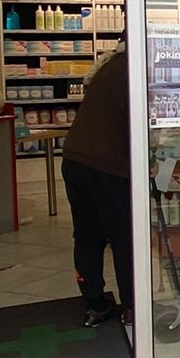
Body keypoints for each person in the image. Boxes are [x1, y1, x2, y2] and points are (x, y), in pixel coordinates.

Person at [61, 46, 134, 327]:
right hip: (108, 166)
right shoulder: (134, 69)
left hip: (75, 159)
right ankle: (132, 306)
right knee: (124, 238)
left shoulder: (109, 65)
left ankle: (95, 304)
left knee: (87, 237)